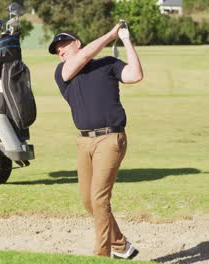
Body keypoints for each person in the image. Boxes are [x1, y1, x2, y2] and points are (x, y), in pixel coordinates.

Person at [49, 23, 143, 258]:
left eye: (64, 45)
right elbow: (84, 57)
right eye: (56, 49)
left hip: (110, 138)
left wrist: (125, 39)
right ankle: (121, 245)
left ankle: (102, 255)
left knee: (99, 199)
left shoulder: (107, 64)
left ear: (77, 43)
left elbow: (135, 75)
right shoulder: (62, 73)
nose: (60, 50)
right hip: (84, 142)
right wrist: (109, 35)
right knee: (88, 201)